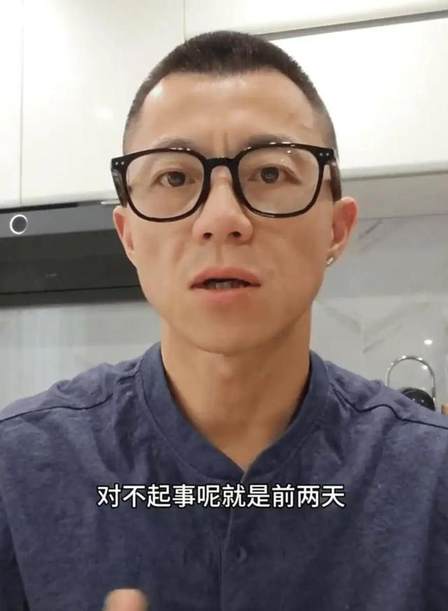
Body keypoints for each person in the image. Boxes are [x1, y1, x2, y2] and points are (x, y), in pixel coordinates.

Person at [0, 30, 447, 611]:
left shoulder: (430, 479)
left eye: (269, 173)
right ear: (129, 237)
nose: (221, 218)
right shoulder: (18, 471)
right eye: (174, 178)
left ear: (336, 230)